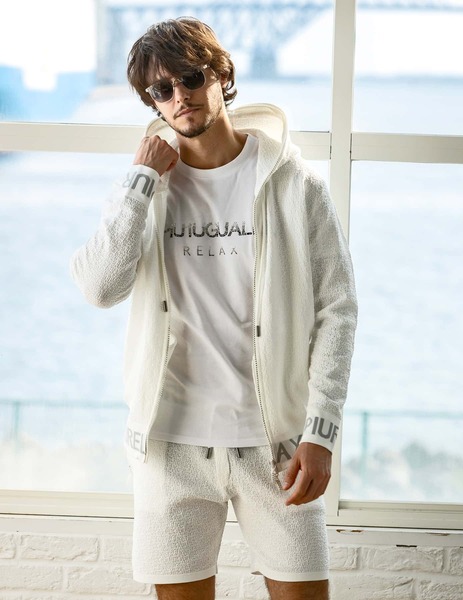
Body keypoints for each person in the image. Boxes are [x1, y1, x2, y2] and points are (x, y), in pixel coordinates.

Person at [70, 16, 358, 600]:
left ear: (221, 76)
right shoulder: (146, 191)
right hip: (170, 448)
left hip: (276, 446)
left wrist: (321, 432)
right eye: (162, 89)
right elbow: (100, 288)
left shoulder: (294, 183)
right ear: (152, 101)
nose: (180, 96)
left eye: (191, 78)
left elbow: (338, 309)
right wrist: (139, 180)